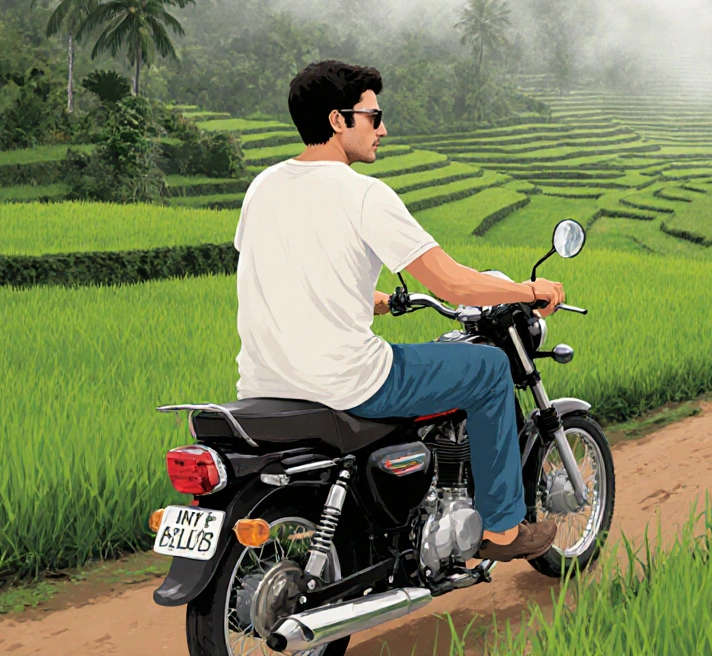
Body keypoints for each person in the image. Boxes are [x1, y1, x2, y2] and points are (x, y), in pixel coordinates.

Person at [234, 60, 563, 562]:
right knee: (489, 368)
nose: (383, 129)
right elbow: (452, 283)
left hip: (264, 383)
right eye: (373, 116)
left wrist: (376, 302)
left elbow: (289, 274)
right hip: (346, 380)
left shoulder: (263, 186)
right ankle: (502, 529)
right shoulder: (364, 194)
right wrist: (526, 290)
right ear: (337, 120)